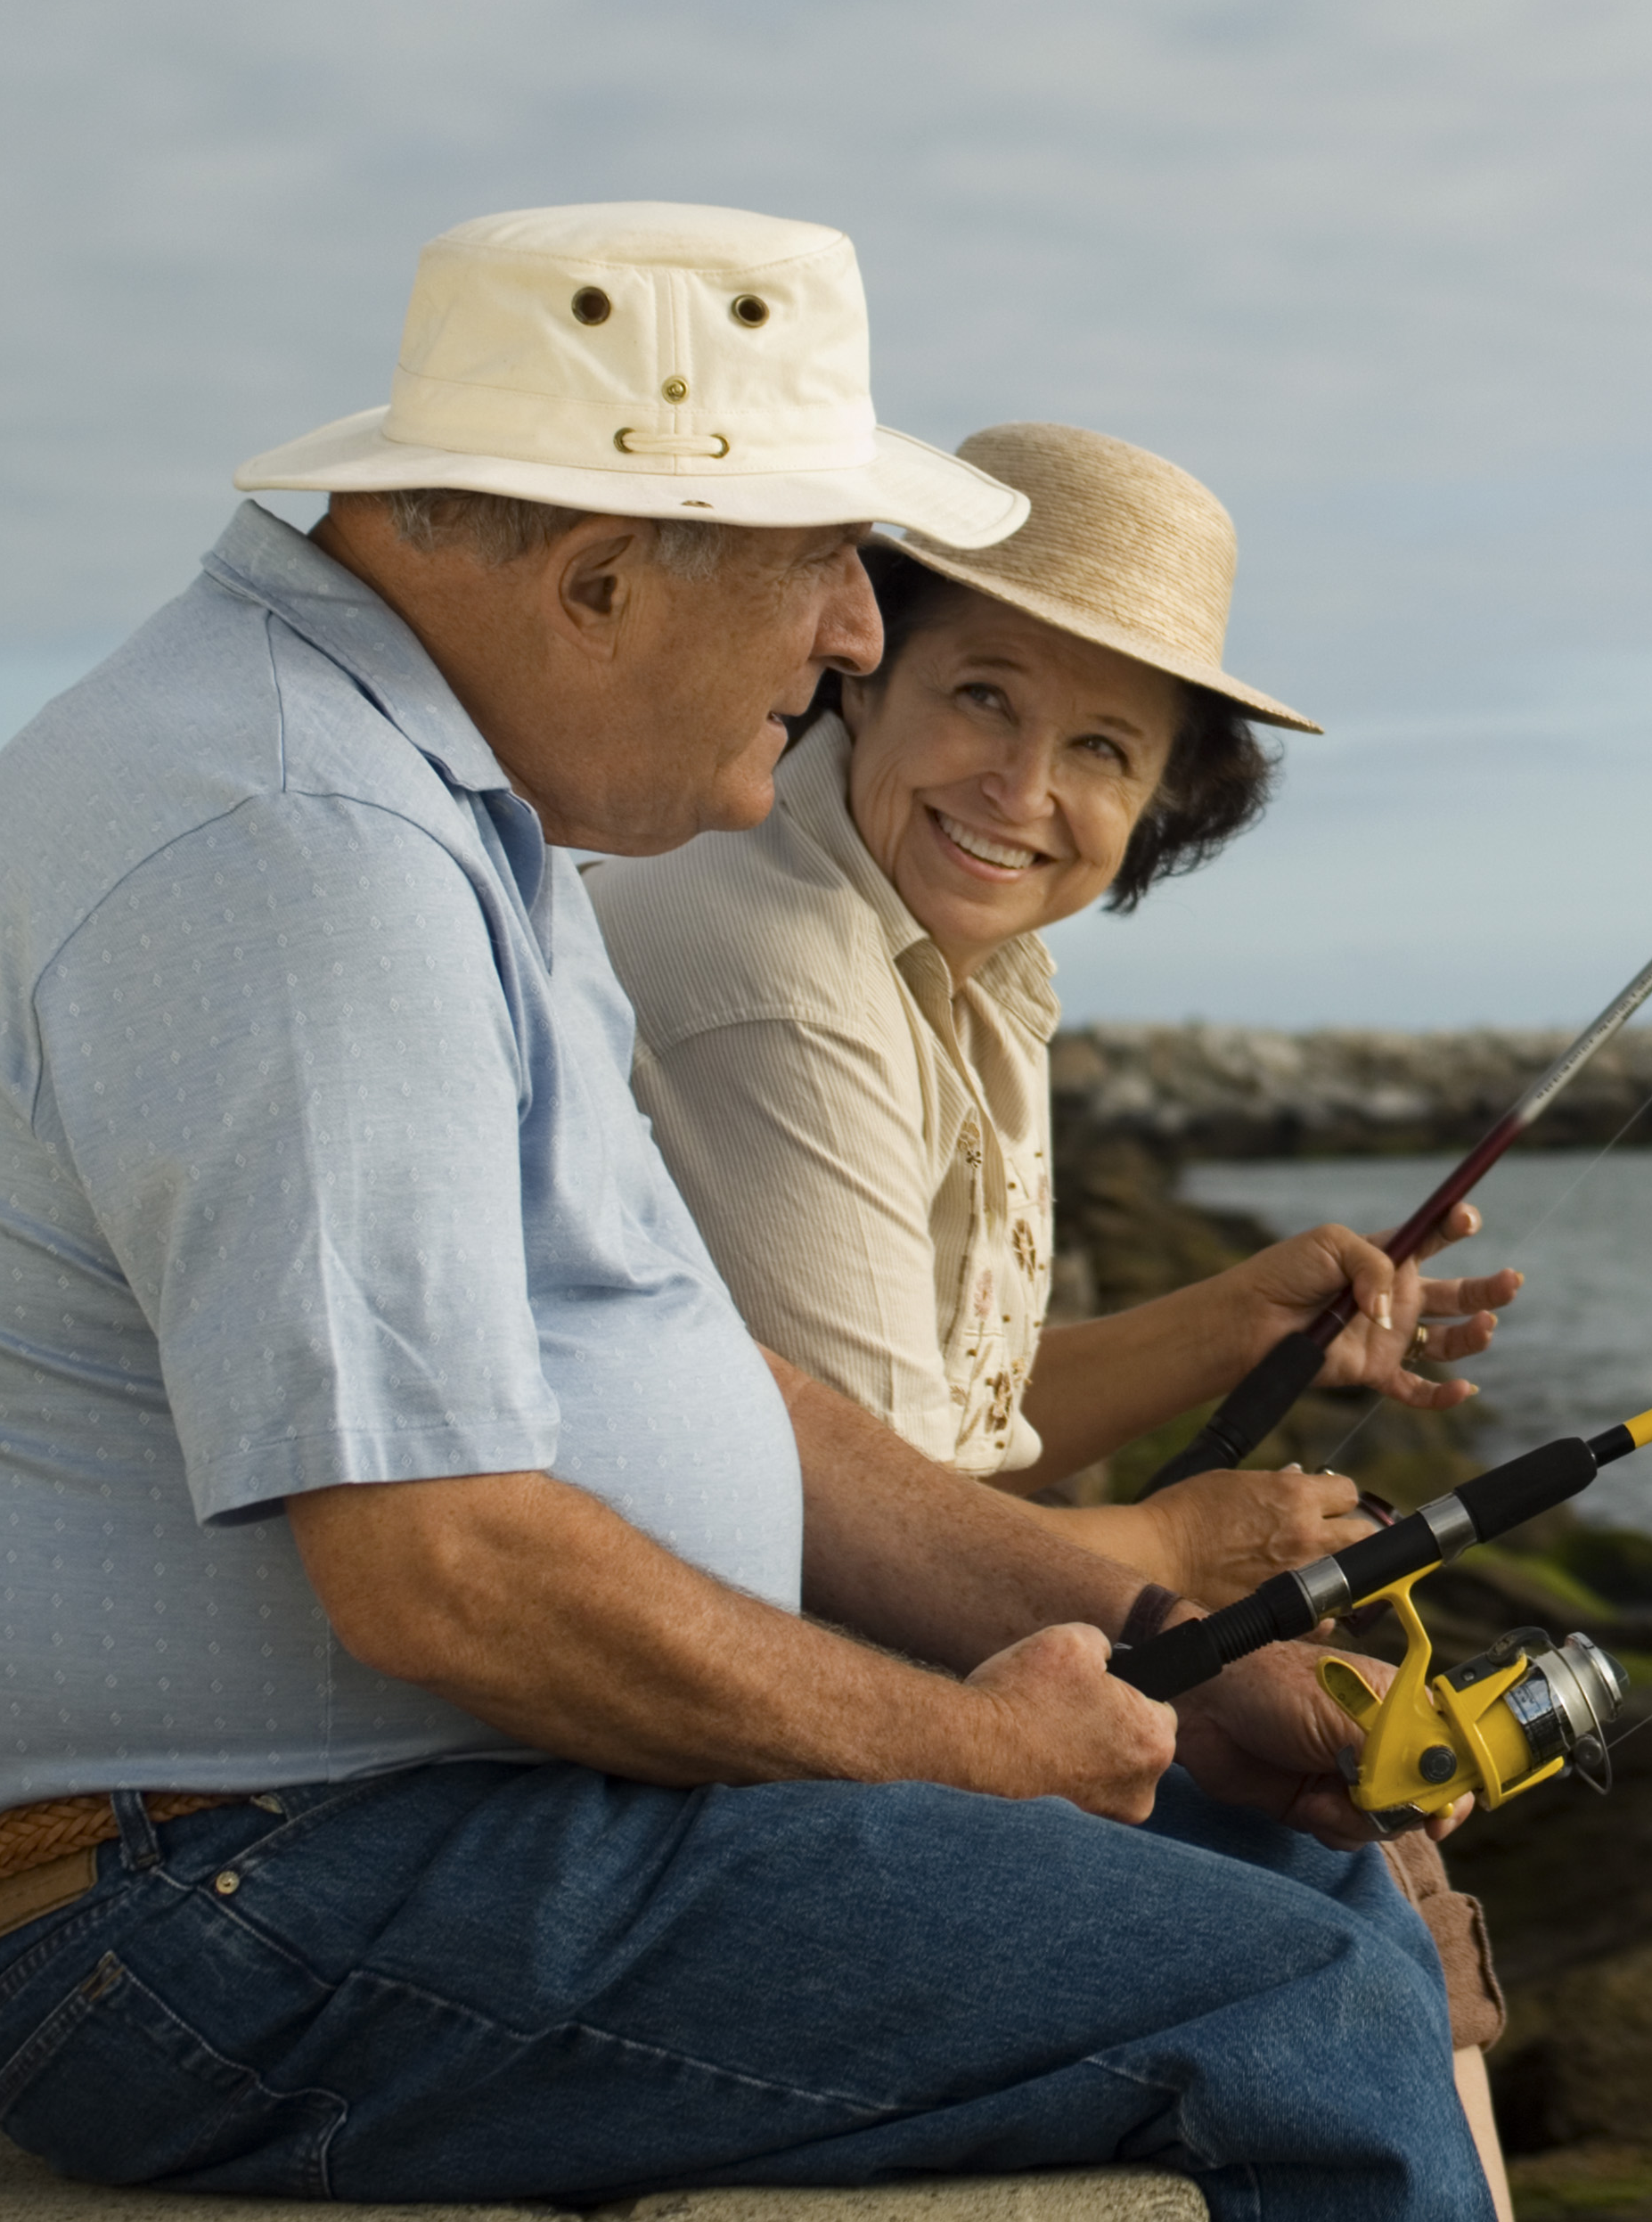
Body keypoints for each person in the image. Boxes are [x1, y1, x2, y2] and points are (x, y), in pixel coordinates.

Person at [0, 204, 1504, 2218]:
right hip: (215, 1911)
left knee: (1306, 1868)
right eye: (825, 561)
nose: (856, 636)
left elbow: (741, 1399)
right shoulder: (302, 847)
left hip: (371, 1827)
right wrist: (957, 1754)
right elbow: (442, 1571)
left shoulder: (456, 807)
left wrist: (1148, 1639)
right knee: (1304, 1998)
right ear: (604, 575)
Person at [585, 421, 1521, 2103]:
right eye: (985, 697)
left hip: (822, 1641)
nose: (1026, 791)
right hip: (713, 1711)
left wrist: (1242, 1324)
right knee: (1350, 1928)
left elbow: (957, 1416)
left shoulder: (961, 944)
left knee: (1363, 1864)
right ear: (865, 664)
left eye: (1104, 746)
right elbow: (864, 1546)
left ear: (1166, 796)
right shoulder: (778, 963)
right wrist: (1175, 1548)